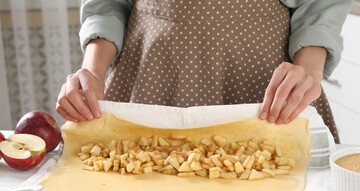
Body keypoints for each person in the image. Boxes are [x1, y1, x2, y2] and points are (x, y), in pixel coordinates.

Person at [56, 0, 354, 144]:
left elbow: (321, 5)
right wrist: (92, 71)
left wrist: (308, 72)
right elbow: (107, 5)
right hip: (149, 78)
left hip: (259, 81)